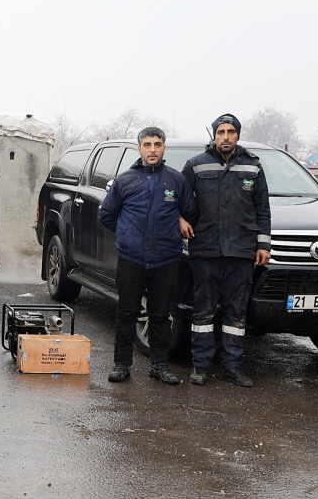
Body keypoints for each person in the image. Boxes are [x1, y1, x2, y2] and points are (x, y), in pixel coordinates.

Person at [98, 126, 197, 385]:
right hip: (132, 259)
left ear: (164, 147)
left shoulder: (176, 180)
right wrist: (126, 234)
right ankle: (121, 365)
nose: (152, 149)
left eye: (157, 144)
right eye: (147, 144)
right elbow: (106, 214)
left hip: (166, 258)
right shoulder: (125, 180)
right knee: (126, 312)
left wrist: (179, 219)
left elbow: (190, 211)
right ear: (139, 147)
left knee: (161, 314)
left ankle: (159, 366)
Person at [181, 114, 272, 388]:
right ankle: (200, 365)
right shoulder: (196, 165)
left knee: (236, 312)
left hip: (241, 251)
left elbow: (262, 209)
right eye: (221, 131)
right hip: (206, 249)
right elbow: (180, 199)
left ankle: (232, 366)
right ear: (214, 135)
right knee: (204, 311)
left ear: (237, 135)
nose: (226, 136)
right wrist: (180, 219)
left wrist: (263, 244)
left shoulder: (253, 167)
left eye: (231, 131)